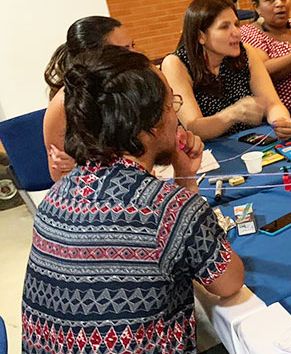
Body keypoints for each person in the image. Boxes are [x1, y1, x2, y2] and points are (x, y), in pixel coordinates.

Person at [22, 46, 245, 353]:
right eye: (171, 104)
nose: (176, 118)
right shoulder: (170, 209)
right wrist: (186, 187)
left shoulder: (56, 195)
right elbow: (229, 282)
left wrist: (184, 176)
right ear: (150, 124)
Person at [161, 0, 291, 141]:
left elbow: (273, 104)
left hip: (248, 141)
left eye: (236, 24)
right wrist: (233, 114)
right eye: (224, 27)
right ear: (201, 36)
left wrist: (281, 122)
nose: (236, 33)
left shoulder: (246, 53)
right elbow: (194, 128)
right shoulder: (176, 64)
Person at [42, 16, 135, 181]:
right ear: (92, 56)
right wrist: (78, 168)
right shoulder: (63, 103)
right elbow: (58, 174)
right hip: (96, 193)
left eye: (132, 46)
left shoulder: (136, 85)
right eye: (123, 50)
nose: (134, 55)